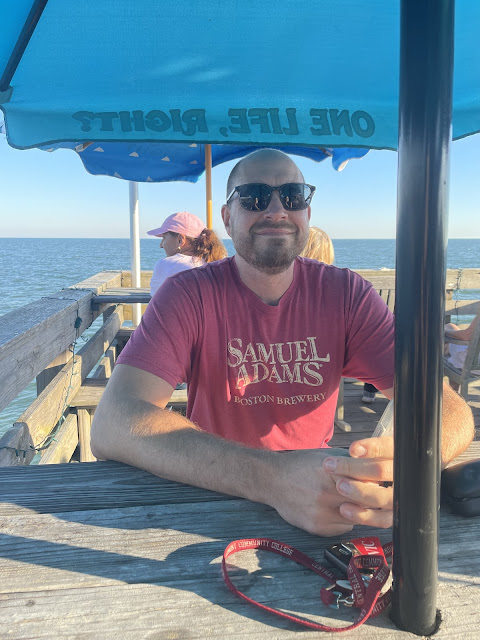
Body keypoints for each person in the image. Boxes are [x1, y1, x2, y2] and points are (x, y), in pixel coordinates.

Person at [91, 149, 474, 538]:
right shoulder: (188, 295)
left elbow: (446, 407)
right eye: (255, 196)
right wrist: (273, 479)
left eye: (293, 195)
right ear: (227, 217)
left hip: (320, 502)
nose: (276, 209)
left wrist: (408, 463)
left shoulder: (345, 294)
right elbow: (113, 422)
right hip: (211, 497)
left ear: (307, 211)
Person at [148, 211, 227, 295]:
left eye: (164, 238)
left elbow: (157, 302)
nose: (161, 245)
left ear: (180, 239)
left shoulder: (167, 265)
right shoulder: (216, 265)